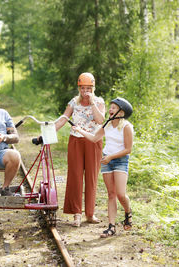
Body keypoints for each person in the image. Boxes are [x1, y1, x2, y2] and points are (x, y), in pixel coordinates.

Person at [72, 97, 134, 237]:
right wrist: (79, 130)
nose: (110, 110)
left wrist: (111, 157)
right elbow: (94, 138)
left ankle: (128, 211)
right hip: (107, 160)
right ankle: (111, 227)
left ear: (121, 112)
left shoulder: (126, 127)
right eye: (110, 107)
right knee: (111, 194)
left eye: (113, 107)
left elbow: (128, 149)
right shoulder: (107, 125)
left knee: (120, 194)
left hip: (120, 160)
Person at [55, 72, 106, 227]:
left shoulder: (99, 101)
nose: (85, 91)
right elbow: (64, 118)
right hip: (76, 141)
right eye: (83, 88)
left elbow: (100, 120)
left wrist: (92, 103)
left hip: (93, 141)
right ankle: (77, 213)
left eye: (88, 88)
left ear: (93, 88)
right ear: (79, 88)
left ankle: (90, 214)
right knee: (75, 176)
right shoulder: (73, 102)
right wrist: (48, 133)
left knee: (91, 177)